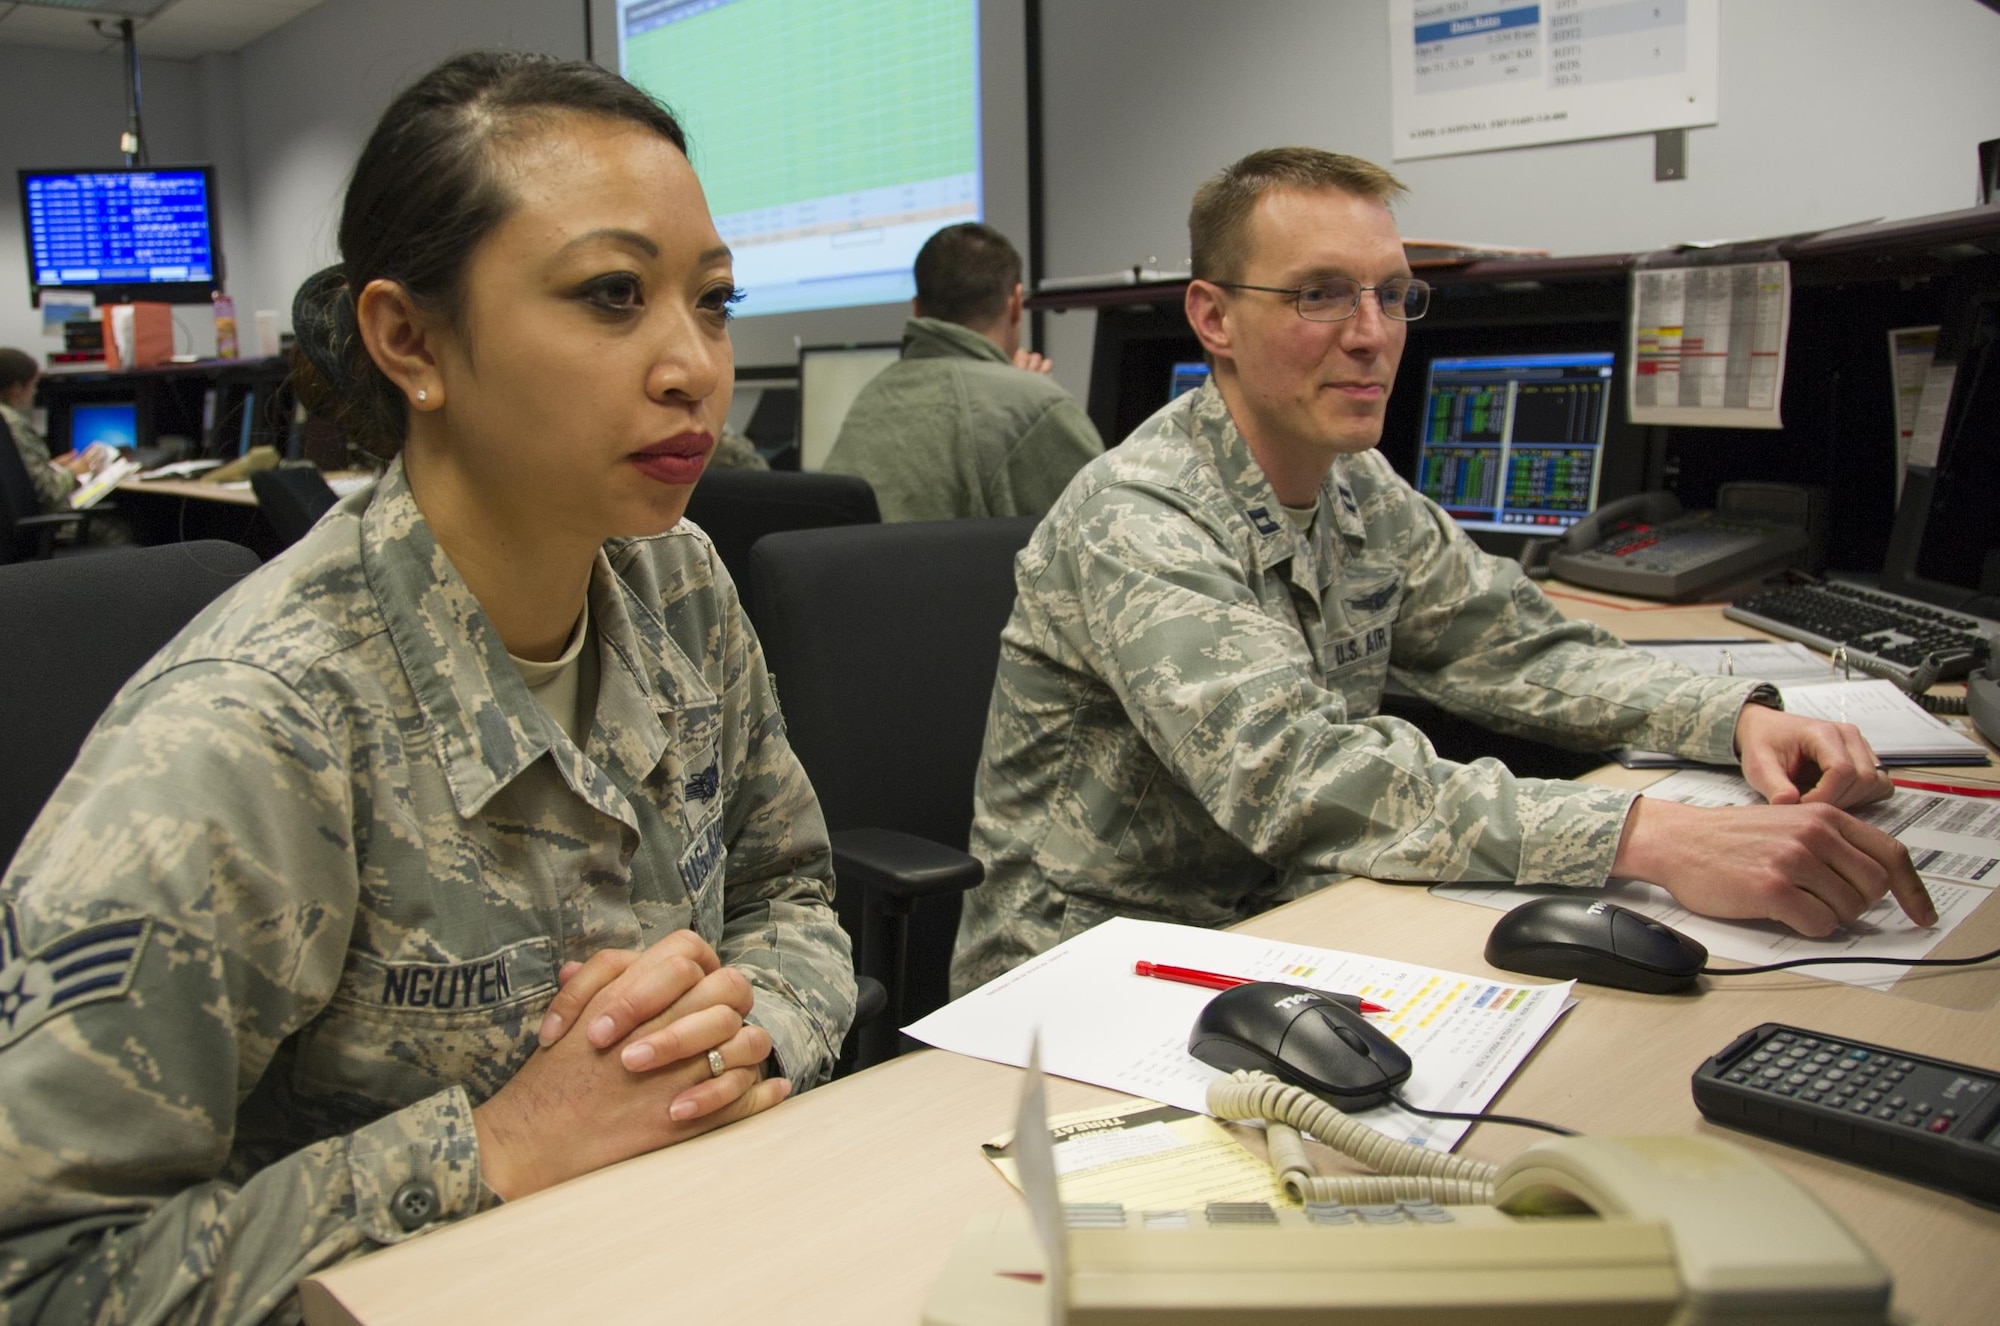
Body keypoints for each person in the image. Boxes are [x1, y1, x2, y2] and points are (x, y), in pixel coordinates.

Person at [0, 51, 855, 1321]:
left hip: (686, 1253)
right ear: (410, 340)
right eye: (613, 295)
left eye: (714, 302)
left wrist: (717, 1045)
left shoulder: (677, 581)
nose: (693, 366)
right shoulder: (252, 731)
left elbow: (790, 893)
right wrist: (495, 1149)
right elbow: (45, 1273)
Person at [951, 147, 1932, 994]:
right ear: (1210, 318)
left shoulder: (1354, 488)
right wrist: (1653, 838)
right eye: (1320, 293)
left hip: (1288, 921)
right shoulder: (1139, 519)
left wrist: (1735, 720)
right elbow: (1297, 781)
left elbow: (1518, 649)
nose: (1371, 332)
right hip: (1086, 968)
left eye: (1390, 293)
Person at [823, 222, 1101, 520]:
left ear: (917, 309)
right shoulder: (1037, 405)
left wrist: (1018, 391)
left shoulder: (875, 394)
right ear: (1017, 302)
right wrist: (1029, 400)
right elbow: (1111, 532)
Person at [0, 346, 91, 511]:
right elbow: (49, 492)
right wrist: (73, 471)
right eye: (33, 385)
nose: (34, 392)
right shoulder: (13, 424)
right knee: (119, 528)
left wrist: (50, 468)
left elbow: (19, 477)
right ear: (16, 388)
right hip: (46, 525)